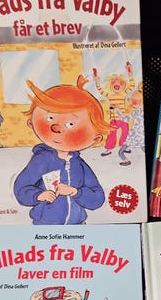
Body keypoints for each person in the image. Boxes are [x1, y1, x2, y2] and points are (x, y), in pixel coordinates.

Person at [14, 77, 111, 224]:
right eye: (50, 118)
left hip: (78, 226)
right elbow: (21, 189)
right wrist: (38, 195)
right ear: (31, 123)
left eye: (71, 123)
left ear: (96, 138)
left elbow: (97, 198)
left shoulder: (80, 164)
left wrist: (75, 192)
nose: (57, 128)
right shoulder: (42, 160)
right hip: (45, 226)